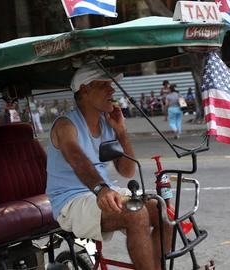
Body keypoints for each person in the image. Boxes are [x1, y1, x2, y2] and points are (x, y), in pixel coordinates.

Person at [46, 62, 171, 270]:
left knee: (162, 211)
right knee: (136, 213)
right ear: (85, 90)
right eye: (105, 85)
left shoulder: (106, 124)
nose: (112, 90)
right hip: (71, 202)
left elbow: (127, 170)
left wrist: (121, 131)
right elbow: (77, 159)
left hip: (102, 193)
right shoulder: (65, 125)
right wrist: (100, 188)